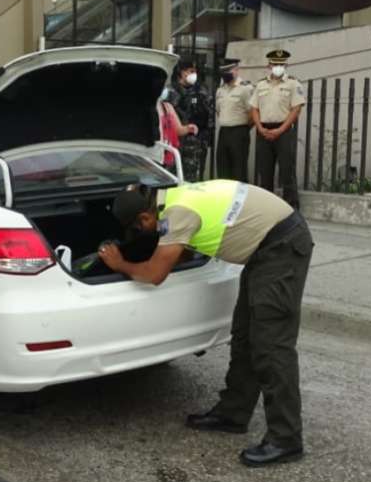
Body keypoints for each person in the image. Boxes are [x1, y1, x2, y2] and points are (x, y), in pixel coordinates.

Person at [99, 180, 312, 467]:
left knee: (272, 346)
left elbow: (154, 274)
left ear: (146, 217)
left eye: (137, 229)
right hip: (265, 249)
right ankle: (233, 413)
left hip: (281, 247)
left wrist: (119, 264)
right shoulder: (173, 197)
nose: (139, 234)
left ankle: (286, 439)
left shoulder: (177, 213)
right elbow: (182, 249)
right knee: (245, 336)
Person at [250, 50, 305, 209]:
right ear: (269, 65)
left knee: (287, 171)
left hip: (284, 131)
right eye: (275, 64)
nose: (278, 67)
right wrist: (260, 128)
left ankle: (292, 207)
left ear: (286, 65)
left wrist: (280, 130)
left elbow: (296, 110)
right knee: (265, 172)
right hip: (264, 130)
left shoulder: (293, 84)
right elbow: (254, 108)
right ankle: (266, 209)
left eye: (281, 64)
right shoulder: (261, 84)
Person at [168, 59, 214, 181]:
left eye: (195, 71)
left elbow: (209, 114)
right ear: (182, 72)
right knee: (173, 178)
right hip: (175, 143)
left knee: (194, 179)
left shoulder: (202, 91)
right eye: (191, 71)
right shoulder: (170, 92)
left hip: (196, 144)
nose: (194, 74)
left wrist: (206, 138)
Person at [215, 60, 254, 182]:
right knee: (222, 169)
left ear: (236, 70)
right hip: (224, 132)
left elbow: (252, 113)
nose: (226, 74)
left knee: (239, 170)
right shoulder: (220, 90)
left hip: (239, 131)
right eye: (224, 71)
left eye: (229, 71)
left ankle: (240, 200)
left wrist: (244, 128)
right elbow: (219, 111)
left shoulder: (245, 88)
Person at [157, 86, 197, 170]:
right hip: (152, 155)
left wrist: (188, 128)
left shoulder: (167, 107)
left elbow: (178, 129)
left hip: (166, 153)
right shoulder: (145, 108)